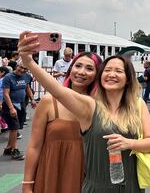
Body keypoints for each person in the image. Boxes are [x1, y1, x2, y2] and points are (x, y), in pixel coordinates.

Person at [18, 31, 150, 193]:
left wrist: (129, 143)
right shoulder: (90, 106)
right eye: (107, 70)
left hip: (127, 184)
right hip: (87, 181)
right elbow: (57, 90)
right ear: (101, 76)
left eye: (119, 71)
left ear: (128, 78)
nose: (112, 74)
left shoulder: (136, 104)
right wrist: (29, 62)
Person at [23, 52, 102, 193]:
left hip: (86, 177)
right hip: (51, 174)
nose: (81, 72)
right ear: (70, 69)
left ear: (97, 74)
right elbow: (35, 146)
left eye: (89, 68)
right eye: (77, 66)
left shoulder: (99, 106)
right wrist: (27, 184)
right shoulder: (49, 101)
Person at [1, 61, 36, 160]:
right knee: (14, 128)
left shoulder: (26, 76)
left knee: (16, 127)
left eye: (25, 69)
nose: (22, 70)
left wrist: (32, 99)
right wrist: (11, 108)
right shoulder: (8, 77)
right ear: (17, 66)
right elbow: (6, 94)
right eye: (21, 67)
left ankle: (8, 148)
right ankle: (14, 150)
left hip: (21, 105)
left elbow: (27, 88)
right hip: (9, 106)